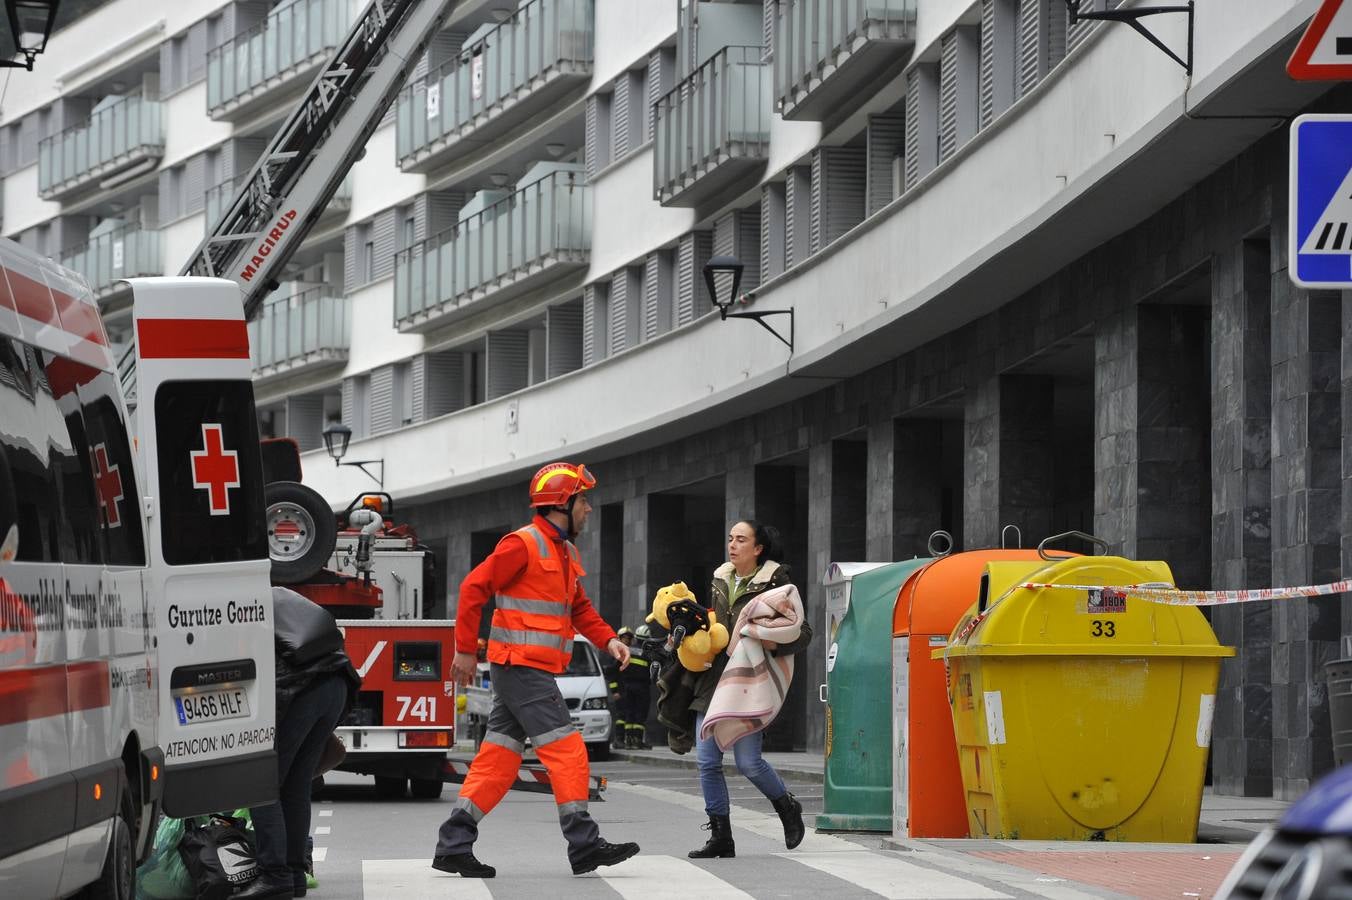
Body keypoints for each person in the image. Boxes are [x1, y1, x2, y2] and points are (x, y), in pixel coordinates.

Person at [433, 462, 640, 878]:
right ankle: (584, 843)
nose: (589, 509)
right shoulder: (522, 545)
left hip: (525, 670)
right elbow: (474, 588)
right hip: (521, 668)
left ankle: (454, 844)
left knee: (498, 760)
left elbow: (578, 608)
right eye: (584, 500)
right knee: (567, 751)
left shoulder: (564, 551)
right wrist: (465, 651)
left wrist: (609, 640)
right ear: (562, 504)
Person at [661, 520, 811, 860]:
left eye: (741, 539)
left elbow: (801, 632)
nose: (732, 544)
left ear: (758, 549)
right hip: (711, 681)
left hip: (746, 683)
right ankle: (721, 837)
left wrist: (762, 639)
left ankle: (787, 807)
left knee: (749, 763)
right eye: (730, 538)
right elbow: (713, 626)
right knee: (707, 761)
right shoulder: (720, 579)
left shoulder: (776, 583)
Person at [238, 587, 360, 899]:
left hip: (302, 690)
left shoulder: (238, 607)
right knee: (295, 785)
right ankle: (294, 873)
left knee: (262, 785)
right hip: (336, 683)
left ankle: (275, 874)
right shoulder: (278, 597)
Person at [615, 627, 653, 749]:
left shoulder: (628, 651)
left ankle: (628, 740)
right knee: (640, 714)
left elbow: (616, 669)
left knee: (629, 713)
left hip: (627, 686)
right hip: (642, 687)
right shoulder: (648, 653)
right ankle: (637, 740)